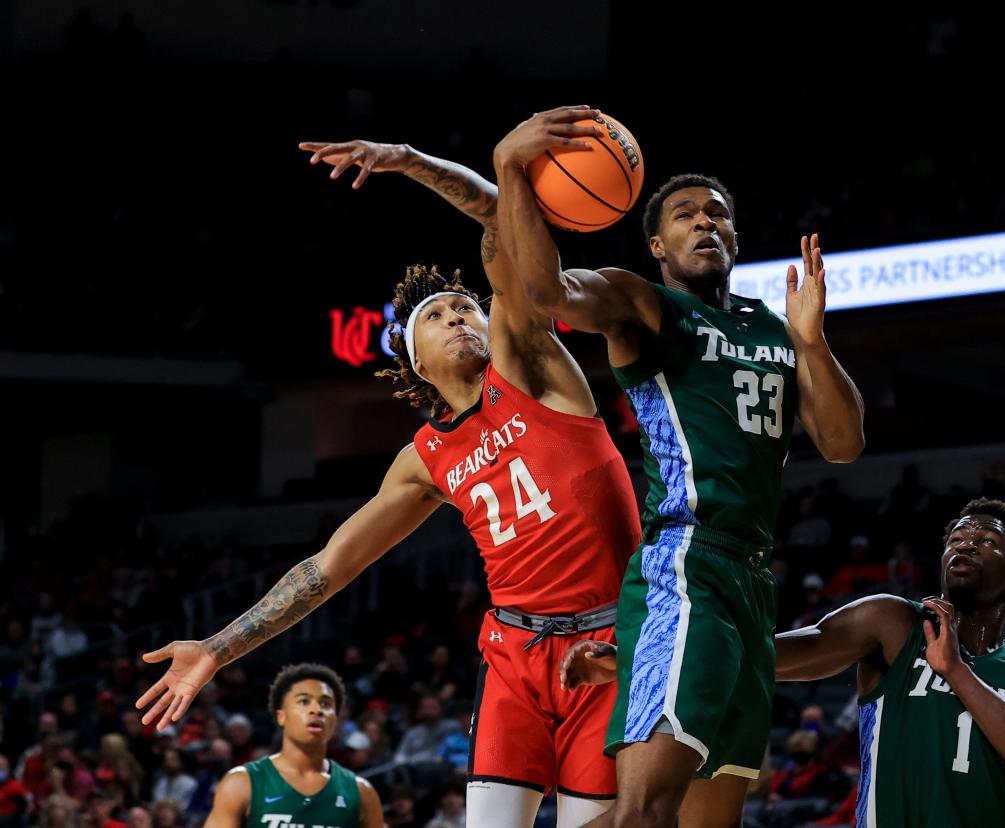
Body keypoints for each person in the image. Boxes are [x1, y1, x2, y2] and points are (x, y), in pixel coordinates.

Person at [138, 138, 642, 828]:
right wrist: (218, 648)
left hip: (609, 644)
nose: (459, 317)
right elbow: (328, 568)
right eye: (436, 316)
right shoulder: (425, 457)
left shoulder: (533, 369)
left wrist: (413, 162)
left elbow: (503, 222)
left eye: (466, 307)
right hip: (513, 658)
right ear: (416, 363)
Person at [493, 105, 866, 827]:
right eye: (687, 215)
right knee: (646, 809)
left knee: (706, 820)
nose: (706, 223)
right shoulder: (645, 304)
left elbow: (844, 444)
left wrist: (813, 341)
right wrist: (511, 167)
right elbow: (543, 296)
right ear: (658, 245)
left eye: (718, 215)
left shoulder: (773, 327)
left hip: (754, 583)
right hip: (687, 562)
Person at [563, 499, 1005, 827]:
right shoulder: (893, 622)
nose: (964, 544)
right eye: (957, 539)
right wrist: (641, 660)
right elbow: (773, 655)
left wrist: (956, 672)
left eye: (985, 541)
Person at [200, 664, 381, 828]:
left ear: (335, 720)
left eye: (326, 704)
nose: (316, 710)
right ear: (281, 716)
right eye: (304, 701)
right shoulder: (241, 783)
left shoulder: (361, 792)